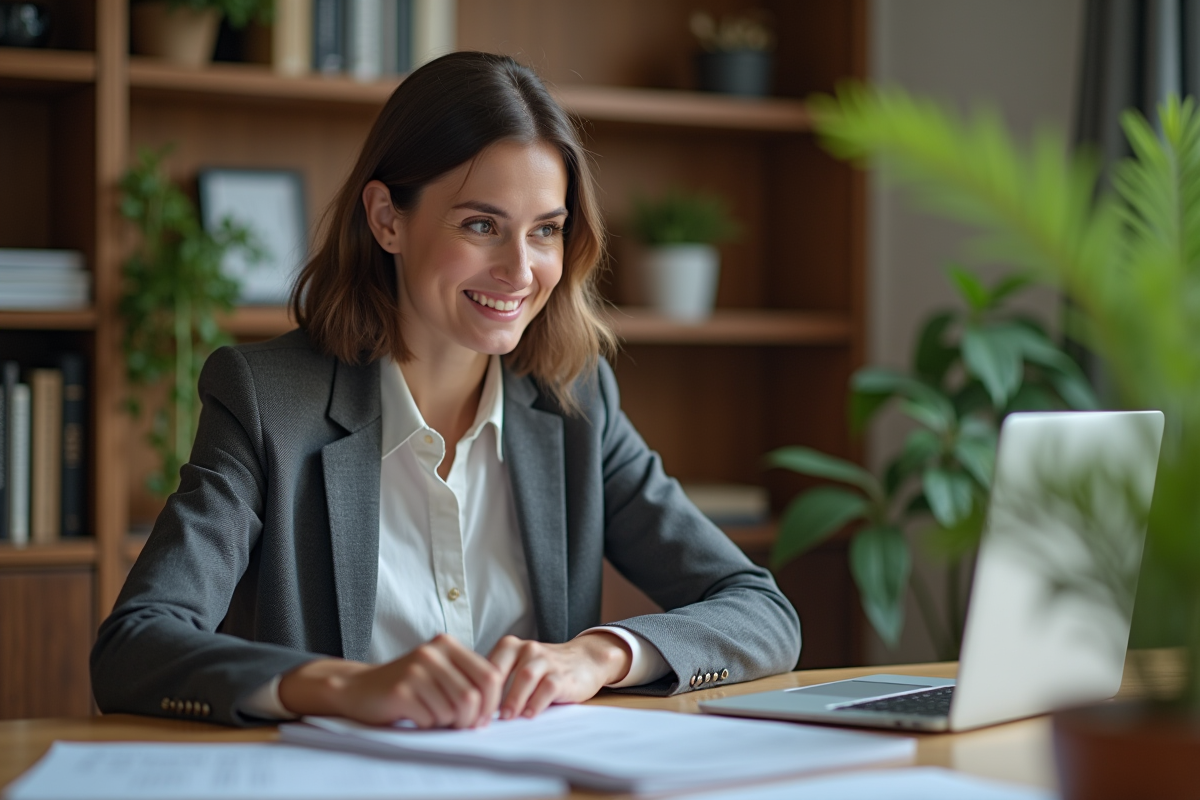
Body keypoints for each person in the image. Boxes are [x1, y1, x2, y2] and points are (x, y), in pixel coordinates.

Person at [91, 52, 801, 728]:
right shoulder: (267, 401)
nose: (521, 271)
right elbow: (136, 644)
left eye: (546, 231)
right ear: (386, 219)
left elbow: (760, 611)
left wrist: (597, 656)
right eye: (482, 225)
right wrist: (342, 685)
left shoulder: (574, 402)